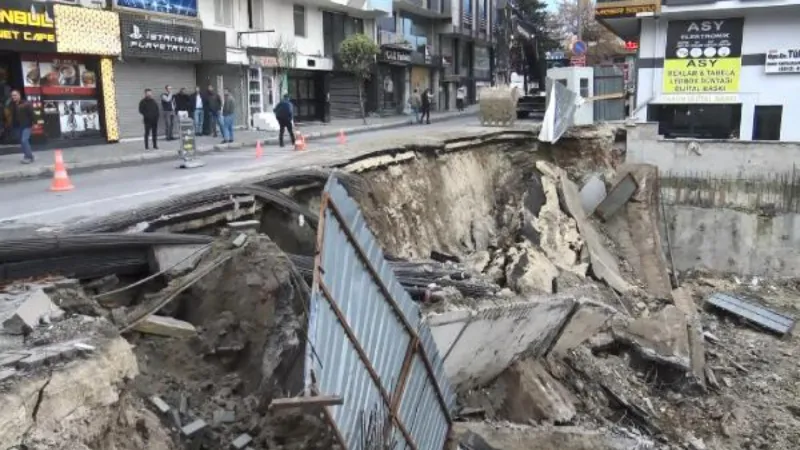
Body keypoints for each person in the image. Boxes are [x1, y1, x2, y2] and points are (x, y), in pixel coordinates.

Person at [9, 90, 34, 163]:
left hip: (26, 125)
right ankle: (27, 155)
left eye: (15, 95)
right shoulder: (12, 104)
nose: (13, 97)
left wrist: (33, 123)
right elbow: (13, 116)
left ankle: (29, 157)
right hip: (18, 126)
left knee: (24, 140)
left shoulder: (26, 104)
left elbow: (32, 114)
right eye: (12, 95)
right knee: (22, 142)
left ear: (19, 95)